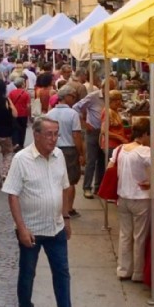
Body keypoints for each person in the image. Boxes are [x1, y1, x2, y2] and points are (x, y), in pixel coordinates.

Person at [2, 117, 89, 307]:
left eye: (56, 134)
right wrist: (21, 228)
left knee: (62, 273)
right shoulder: (22, 159)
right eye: (49, 134)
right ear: (37, 135)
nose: (53, 139)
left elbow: (64, 187)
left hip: (56, 227)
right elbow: (12, 195)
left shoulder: (59, 155)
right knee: (28, 273)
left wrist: (66, 217)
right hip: (31, 229)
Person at [110, 118, 154, 282]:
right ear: (146, 134)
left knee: (125, 234)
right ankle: (138, 272)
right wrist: (152, 182)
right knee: (139, 236)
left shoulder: (119, 149)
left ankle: (124, 270)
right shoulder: (146, 151)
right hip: (140, 197)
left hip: (123, 196)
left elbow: (109, 169)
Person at [47, 85, 85, 219]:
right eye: (73, 96)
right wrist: (81, 153)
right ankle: (68, 208)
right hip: (69, 150)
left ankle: (56, 207)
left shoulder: (50, 114)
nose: (74, 99)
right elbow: (76, 135)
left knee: (55, 180)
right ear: (67, 97)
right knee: (70, 181)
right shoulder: (73, 114)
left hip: (54, 149)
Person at [73, 78, 116, 198]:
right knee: (91, 161)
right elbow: (76, 107)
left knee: (102, 160)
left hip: (106, 133)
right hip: (93, 131)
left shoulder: (112, 97)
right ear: (103, 87)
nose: (111, 91)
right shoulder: (93, 97)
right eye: (109, 89)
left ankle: (98, 187)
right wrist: (84, 123)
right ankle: (87, 187)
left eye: (113, 89)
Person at [100, 89, 128, 159]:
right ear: (109, 101)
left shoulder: (114, 110)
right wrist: (121, 138)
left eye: (119, 99)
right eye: (115, 100)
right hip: (110, 146)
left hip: (116, 145)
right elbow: (104, 131)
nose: (118, 102)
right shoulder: (107, 112)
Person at [8, 76, 31, 151]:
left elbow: (9, 103)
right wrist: (29, 115)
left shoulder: (11, 93)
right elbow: (28, 106)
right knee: (23, 129)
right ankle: (21, 144)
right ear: (22, 84)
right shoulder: (26, 94)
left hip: (14, 114)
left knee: (15, 129)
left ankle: (15, 143)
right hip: (23, 114)